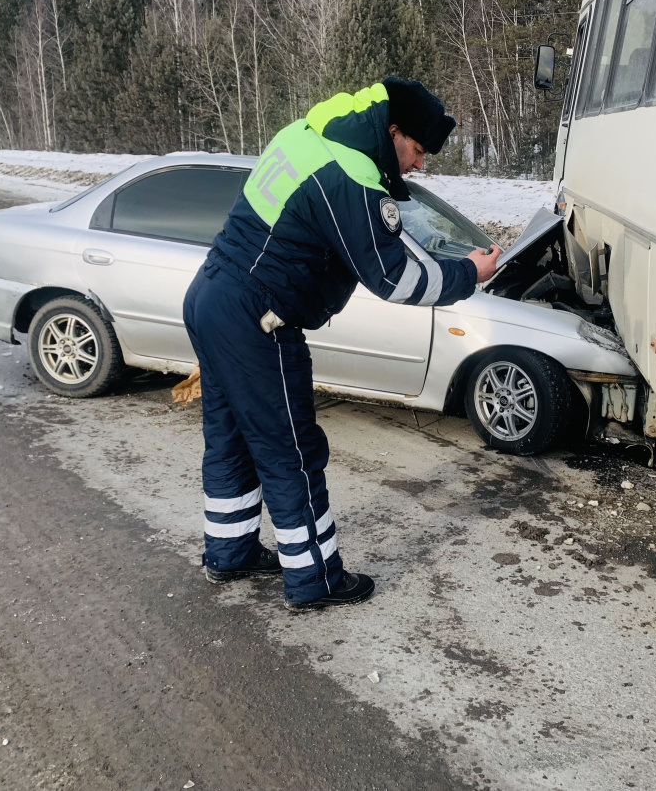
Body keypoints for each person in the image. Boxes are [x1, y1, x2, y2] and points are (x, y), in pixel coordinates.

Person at [183, 78, 501, 612]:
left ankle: (230, 551)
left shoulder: (310, 136)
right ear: (392, 132)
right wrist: (469, 272)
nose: (419, 164)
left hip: (210, 297)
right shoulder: (350, 173)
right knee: (291, 451)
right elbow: (394, 278)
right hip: (258, 319)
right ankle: (315, 579)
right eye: (417, 150)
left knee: (230, 436)